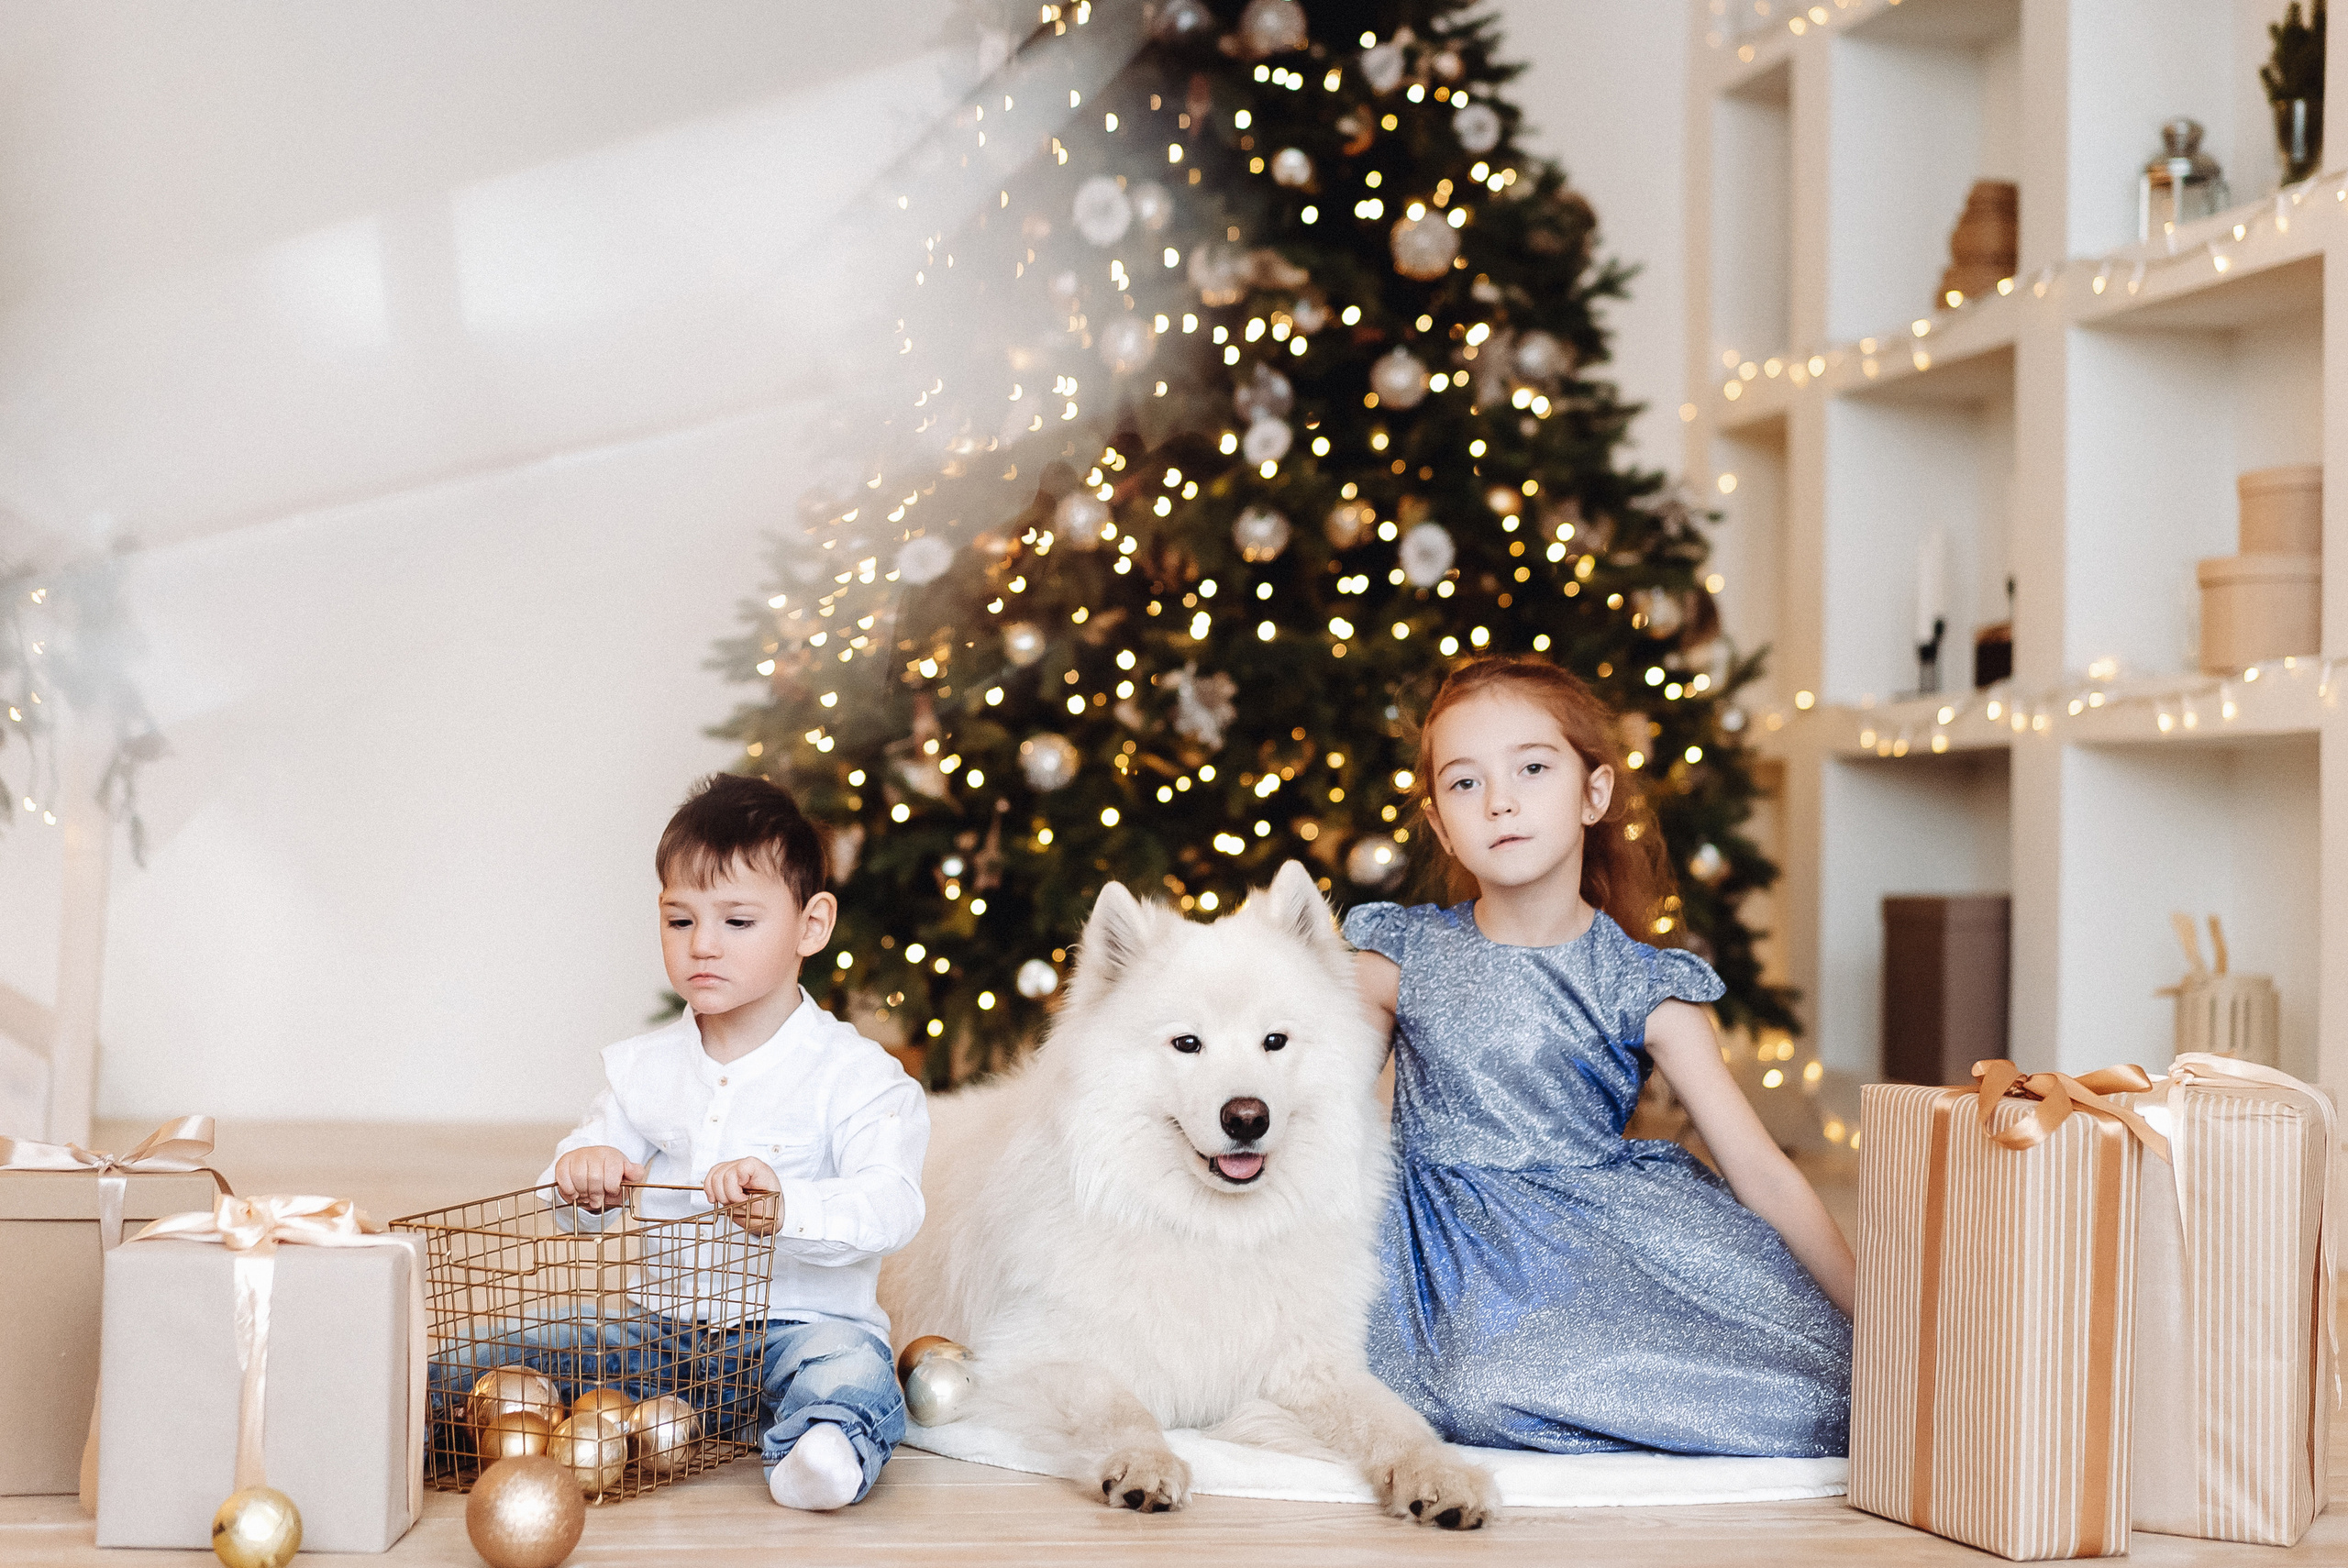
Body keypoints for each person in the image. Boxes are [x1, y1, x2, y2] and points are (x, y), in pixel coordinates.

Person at [1346, 655, 1852, 1457]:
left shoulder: (1646, 987)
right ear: (1441, 825)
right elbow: (1312, 1118)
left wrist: (1880, 1322)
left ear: (1595, 794)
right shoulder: (1398, 959)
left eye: (1532, 769)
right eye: (1465, 783)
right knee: (1465, 1390)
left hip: (1590, 1242)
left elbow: (1761, 1172)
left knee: (1821, 1392)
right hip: (1433, 1244)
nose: (1500, 801)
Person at [538, 771, 928, 1510]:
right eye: (680, 920)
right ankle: (448, 1410)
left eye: (738, 922)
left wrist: (789, 1208)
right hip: (660, 1337)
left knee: (851, 1371)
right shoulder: (643, 1069)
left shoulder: (857, 1077)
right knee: (519, 1345)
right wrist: (580, 1176)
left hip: (799, 1332)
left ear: (811, 925)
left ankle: (825, 1449)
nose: (703, 946)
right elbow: (562, 1198)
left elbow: (893, 1205)